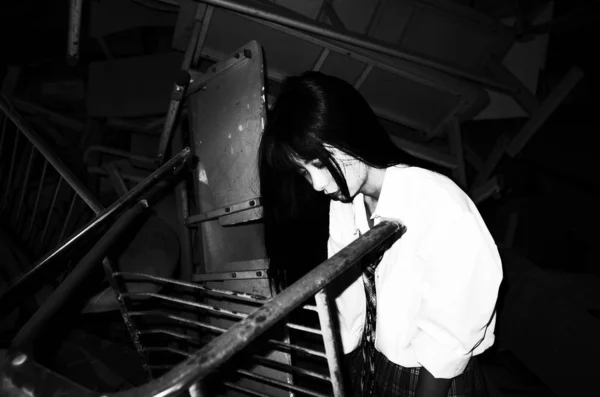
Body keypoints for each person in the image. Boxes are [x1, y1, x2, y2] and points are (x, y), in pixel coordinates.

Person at [258, 71, 503, 397]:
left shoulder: (437, 202)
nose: (317, 184)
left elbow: (452, 334)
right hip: (374, 364)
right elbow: (348, 300)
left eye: (318, 163)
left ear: (347, 133)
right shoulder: (347, 204)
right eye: (305, 171)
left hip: (432, 381)